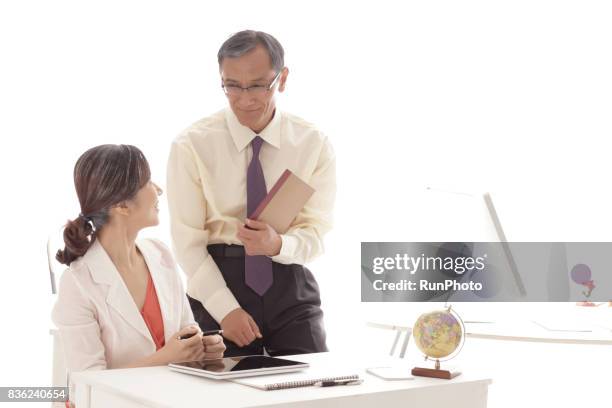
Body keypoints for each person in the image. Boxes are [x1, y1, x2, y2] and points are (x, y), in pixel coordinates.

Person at [167, 30, 336, 357]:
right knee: (228, 395)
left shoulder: (313, 144)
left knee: (317, 386)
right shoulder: (192, 145)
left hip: (289, 279)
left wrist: (278, 244)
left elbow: (316, 233)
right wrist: (224, 308)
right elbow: (187, 243)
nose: (245, 98)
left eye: (258, 85)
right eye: (232, 85)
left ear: (282, 79)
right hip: (219, 281)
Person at [52, 144, 225, 377]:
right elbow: (87, 381)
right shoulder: (78, 283)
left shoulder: (160, 254)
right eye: (148, 182)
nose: (158, 190)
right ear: (122, 205)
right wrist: (166, 358)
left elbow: (186, 334)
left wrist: (203, 350)